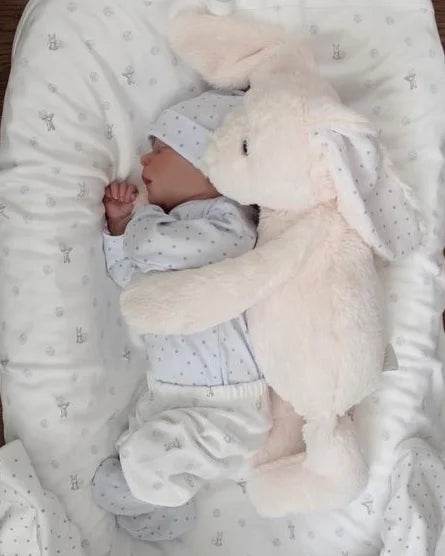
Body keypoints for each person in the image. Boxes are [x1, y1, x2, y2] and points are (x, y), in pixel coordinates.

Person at [91, 90, 271, 542]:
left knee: (138, 466)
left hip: (225, 400)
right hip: (168, 391)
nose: (144, 160)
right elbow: (131, 277)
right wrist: (118, 229)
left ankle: (162, 499)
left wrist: (139, 224)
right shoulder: (160, 227)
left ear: (205, 163)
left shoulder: (230, 223)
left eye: (160, 149)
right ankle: (169, 506)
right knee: (141, 459)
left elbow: (156, 249)